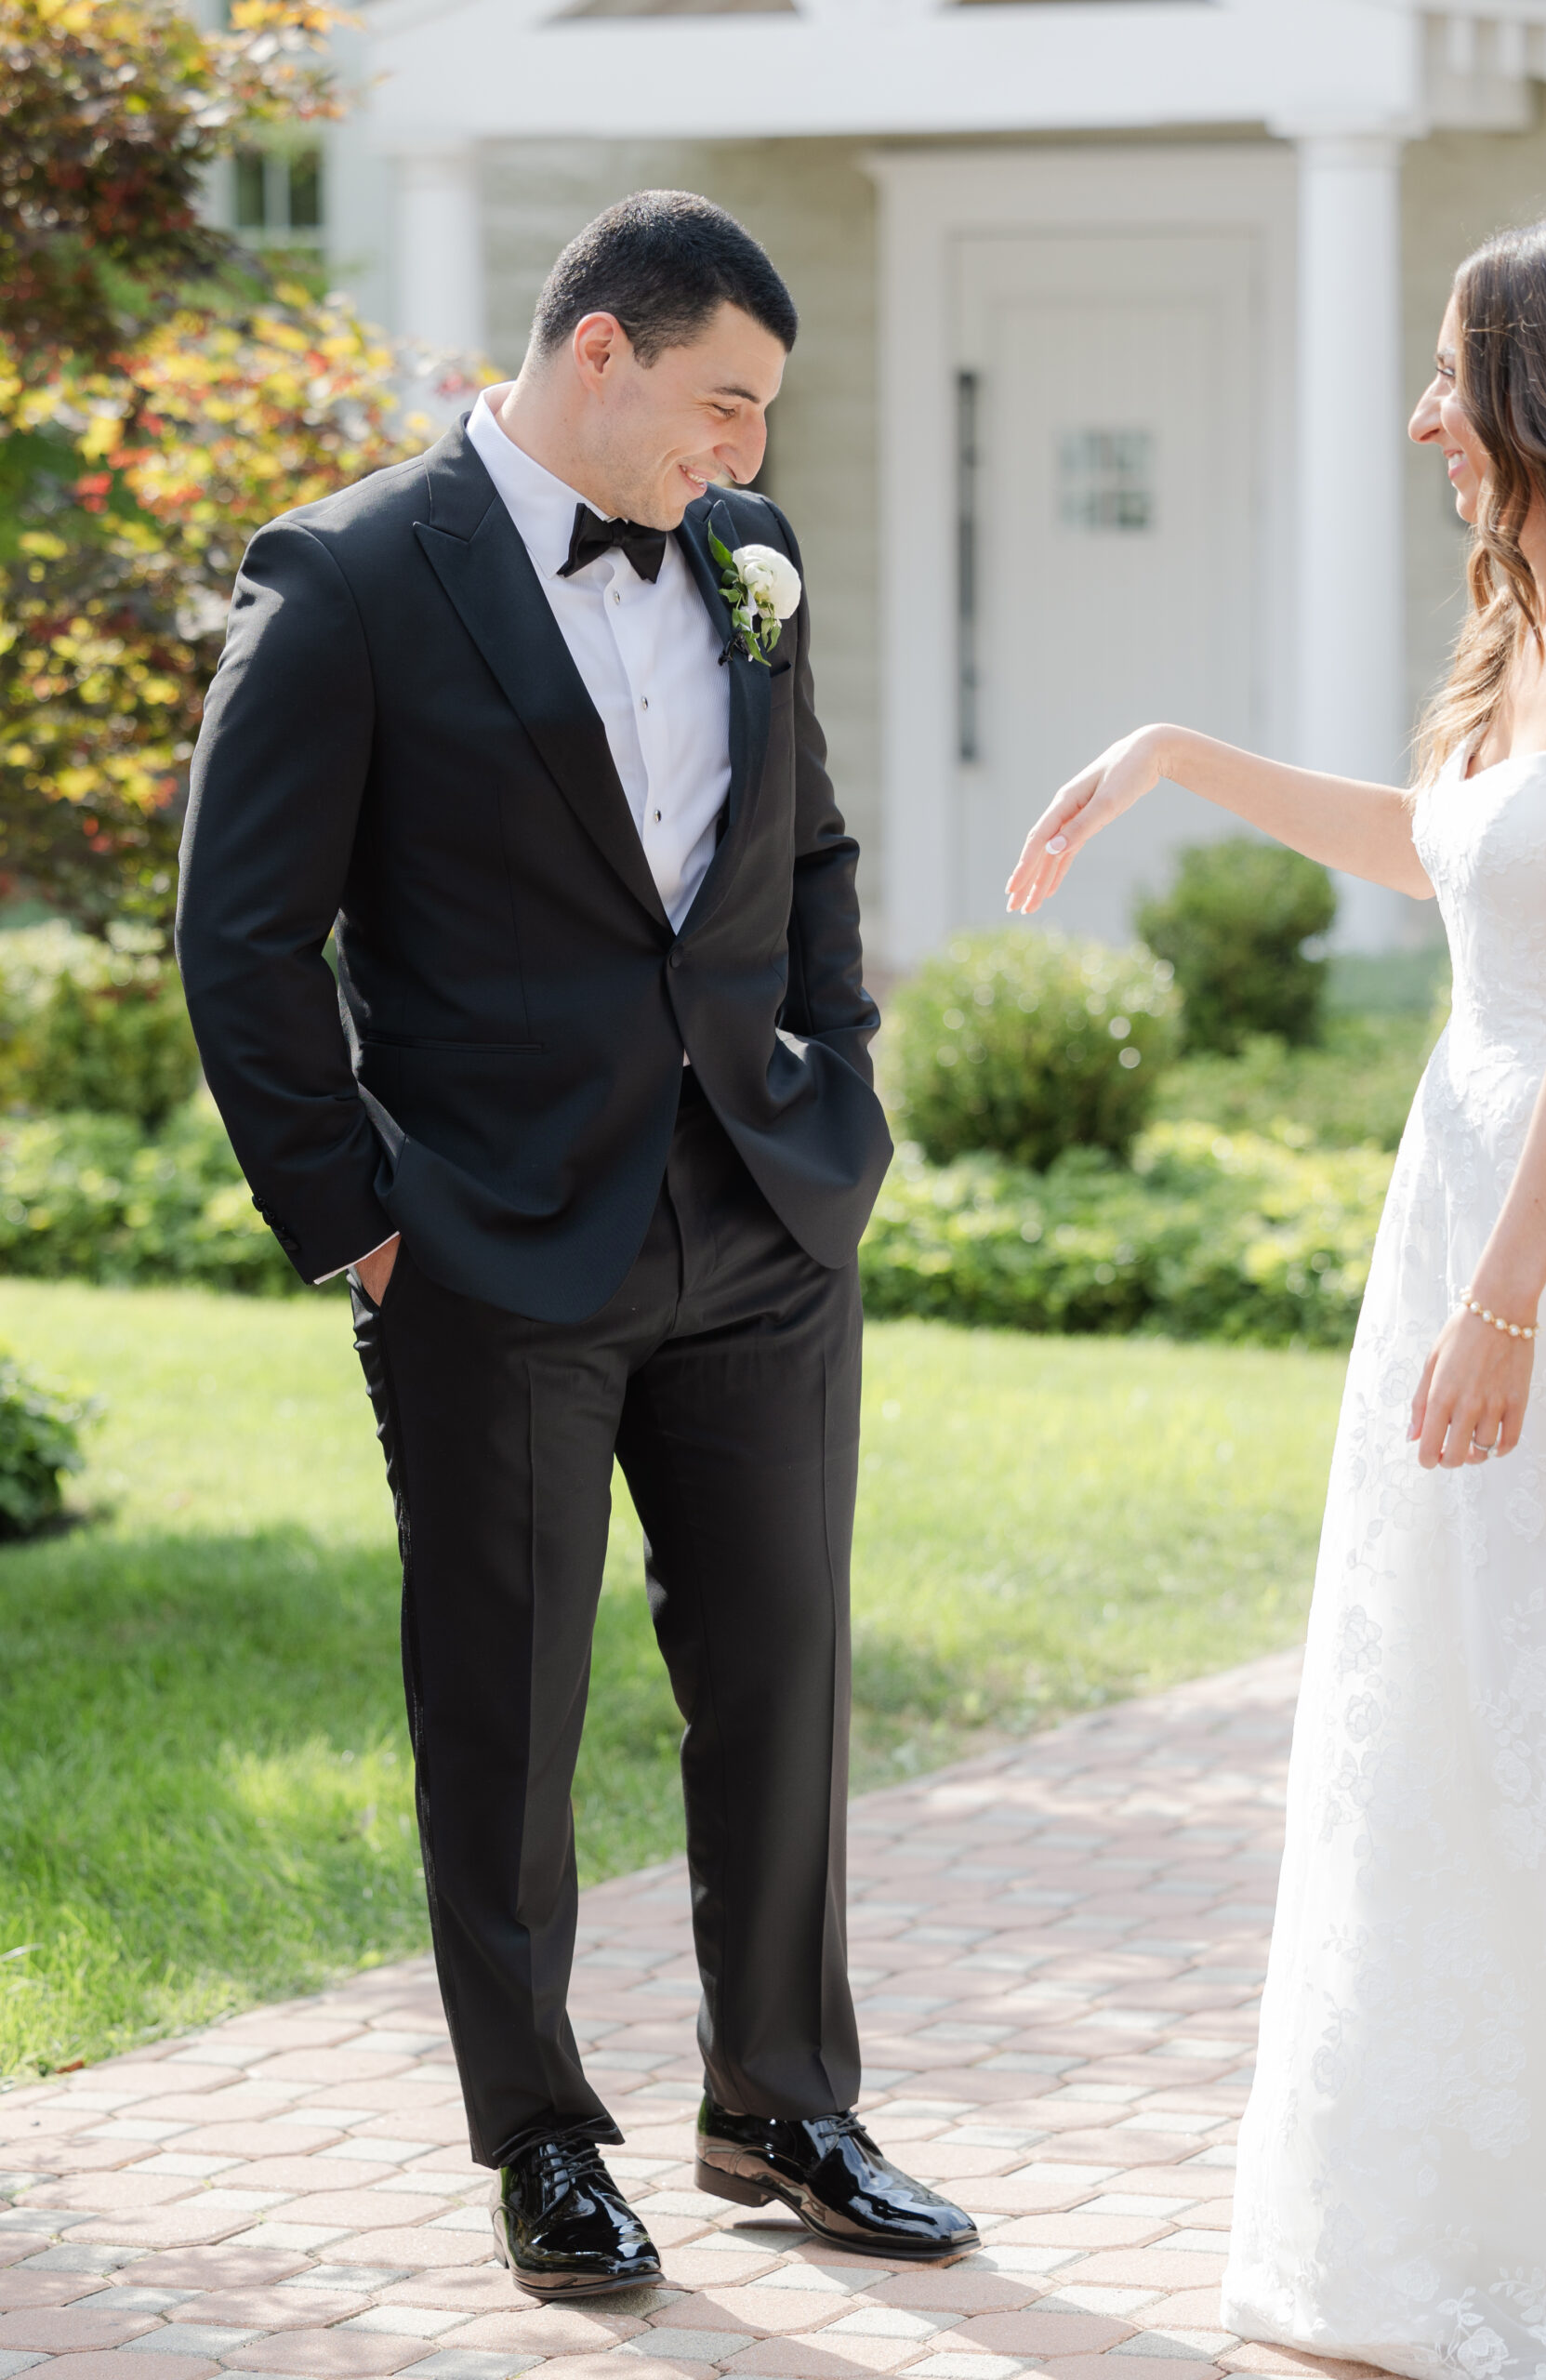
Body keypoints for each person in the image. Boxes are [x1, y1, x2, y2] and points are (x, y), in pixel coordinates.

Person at [177, 190, 976, 2300]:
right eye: (723, 400)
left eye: (766, 418)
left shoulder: (747, 564)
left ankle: (779, 2099)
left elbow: (804, 842)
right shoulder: (350, 575)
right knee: (506, 1710)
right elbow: (240, 937)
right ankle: (538, 2136)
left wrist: (836, 1086)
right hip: (489, 1246)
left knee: (785, 1681)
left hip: (763, 1219)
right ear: (599, 349)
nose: (744, 451)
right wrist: (355, 1224)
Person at [1005, 212, 1546, 2379]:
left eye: (1451, 373)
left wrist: (1513, 1297)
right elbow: (1446, 845)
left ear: (1543, 386)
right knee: (1440, 1694)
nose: (1422, 414)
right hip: (1456, 1210)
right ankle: (1440, 2205)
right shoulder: (1526, 628)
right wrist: (1168, 751)